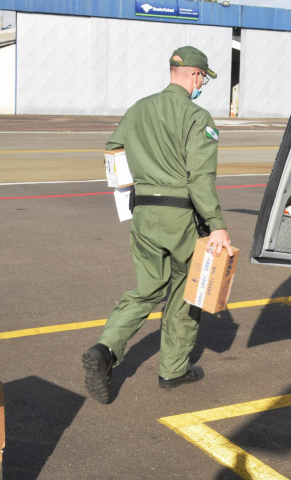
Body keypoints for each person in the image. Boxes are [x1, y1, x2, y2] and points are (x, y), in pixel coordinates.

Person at [82, 46, 233, 404]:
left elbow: (114, 151)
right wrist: (217, 225)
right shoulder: (197, 117)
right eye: (203, 79)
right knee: (187, 290)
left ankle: (104, 350)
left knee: (146, 290)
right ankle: (173, 369)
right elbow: (200, 179)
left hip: (144, 213)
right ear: (196, 76)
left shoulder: (138, 109)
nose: (201, 86)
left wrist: (135, 193)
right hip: (180, 215)